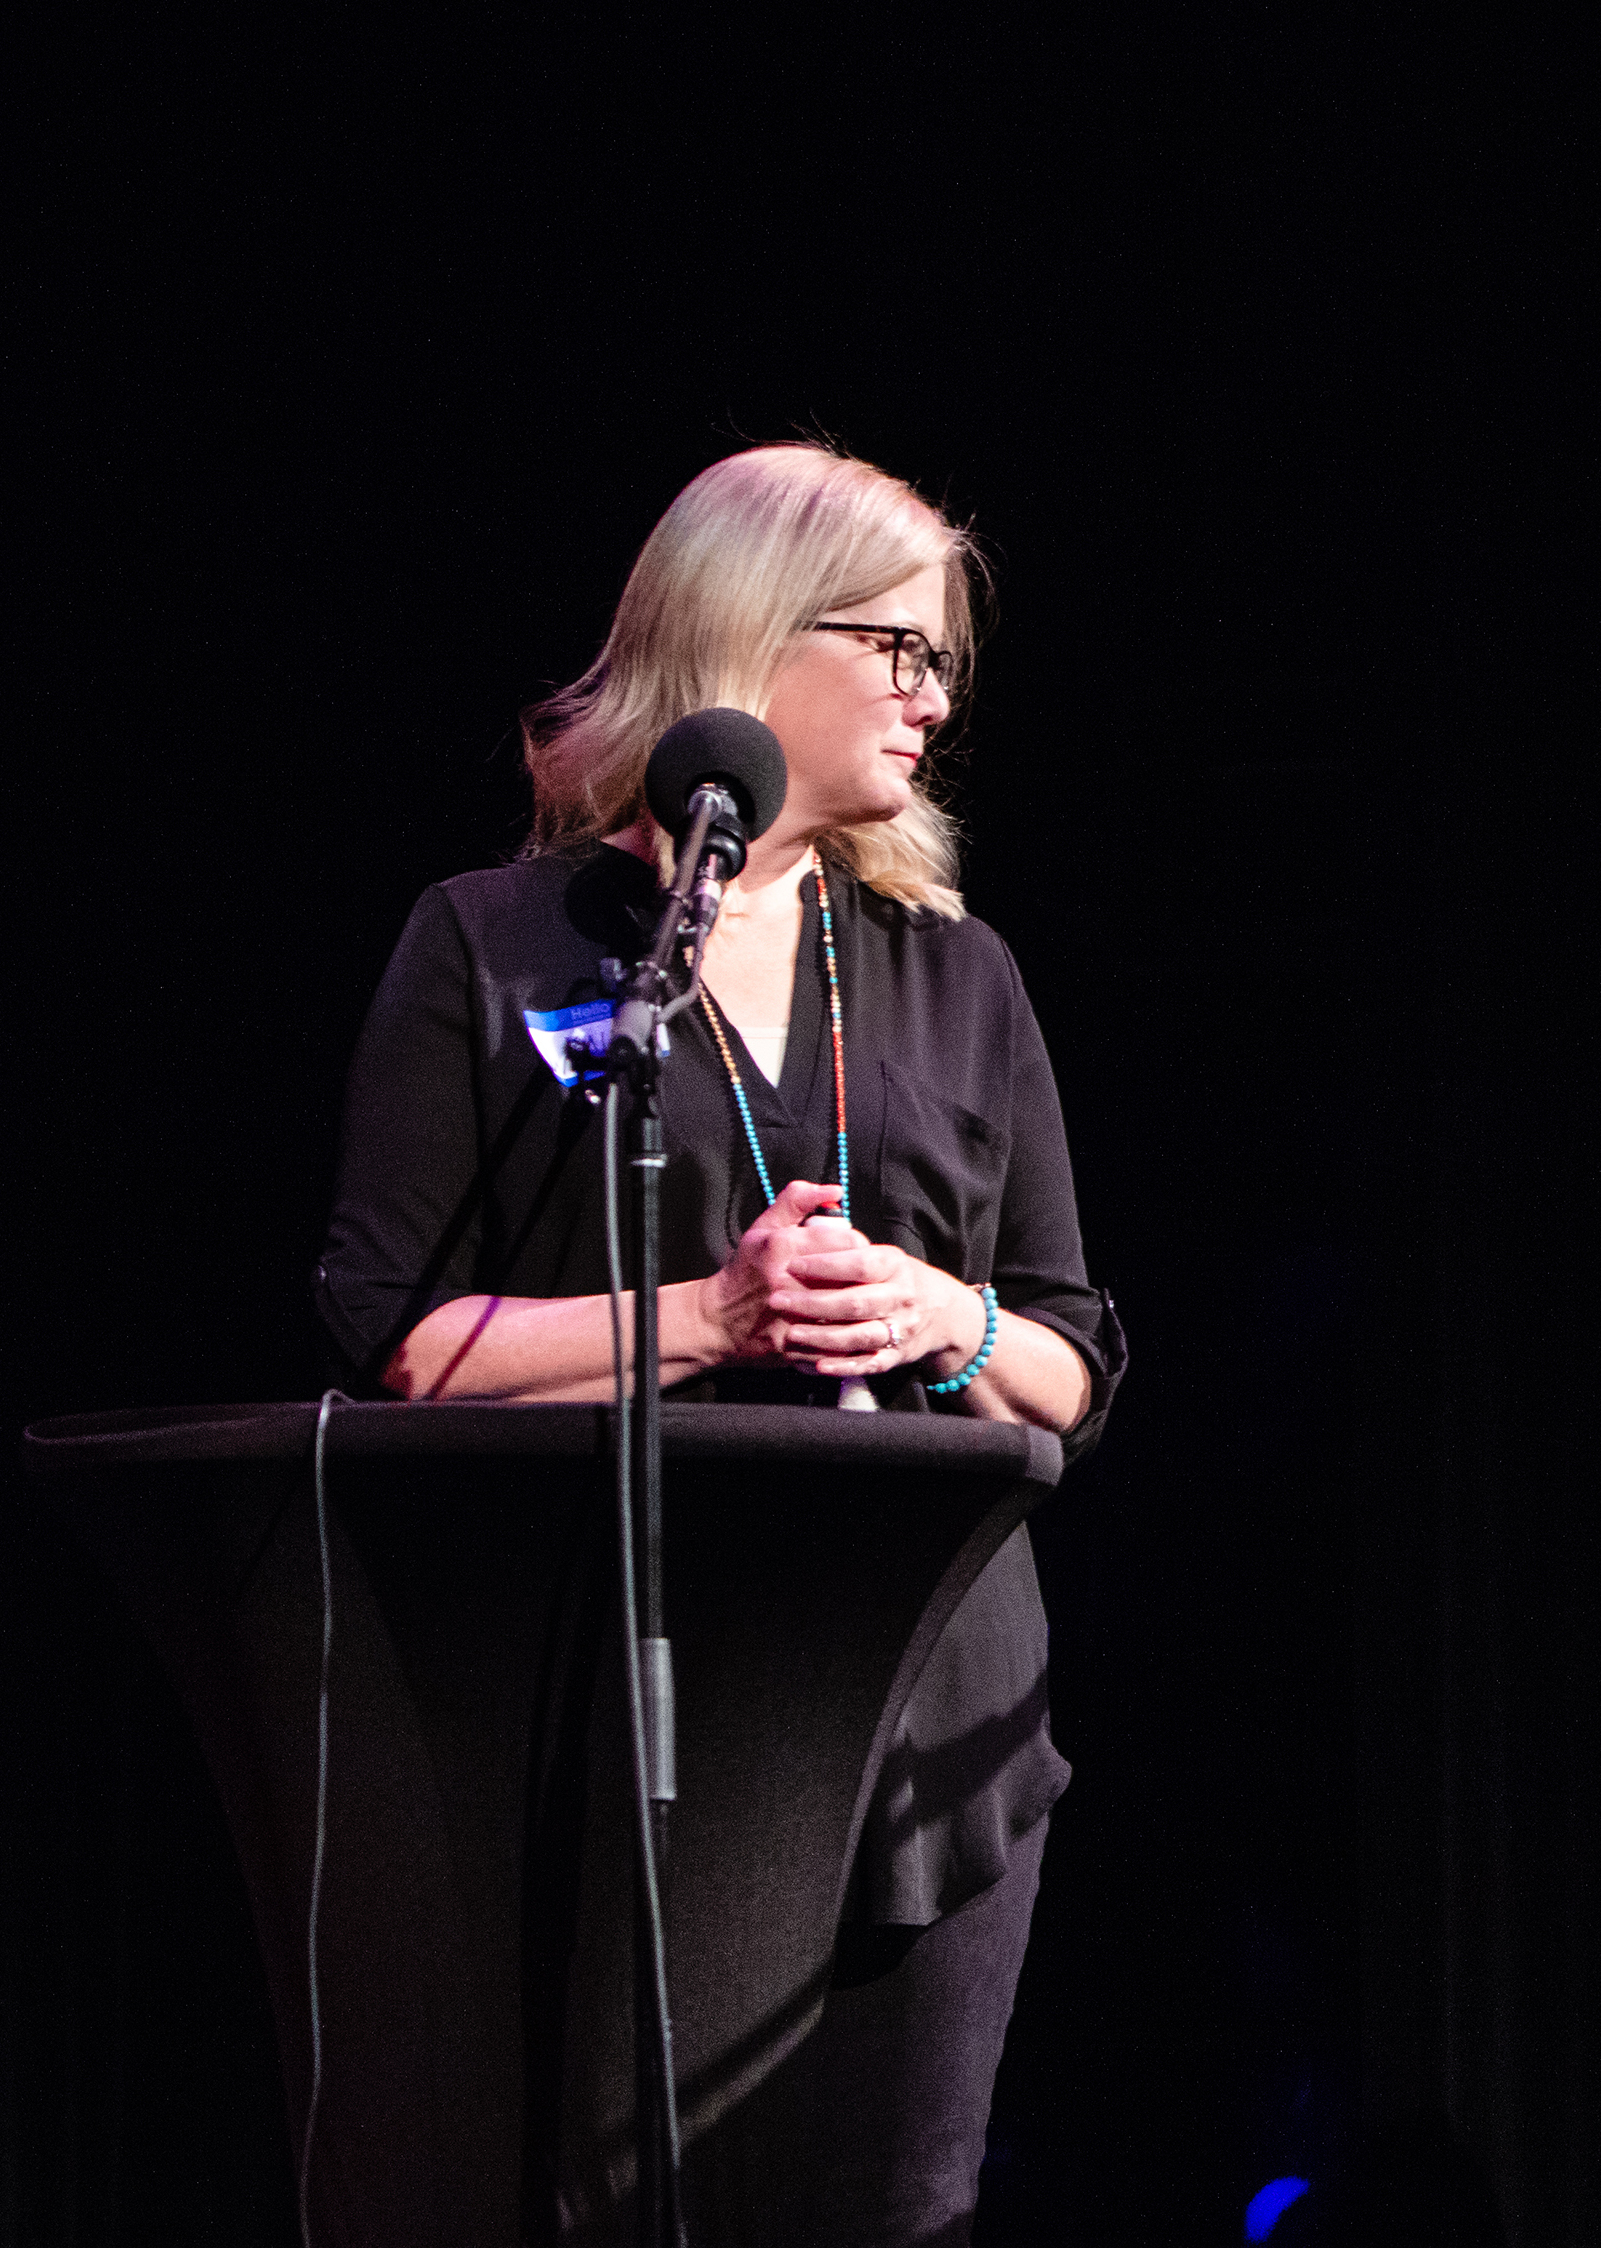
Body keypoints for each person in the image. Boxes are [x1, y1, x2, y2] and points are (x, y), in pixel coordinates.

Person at [315, 441, 1123, 2240]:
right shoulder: (495, 943)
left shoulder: (952, 968)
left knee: (896, 2210)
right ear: (753, 632)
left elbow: (1075, 1360)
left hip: (924, 1701)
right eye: (896, 650)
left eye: (943, 668)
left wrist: (945, 1312)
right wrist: (701, 1318)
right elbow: (393, 1337)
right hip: (608, 1688)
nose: (931, 700)